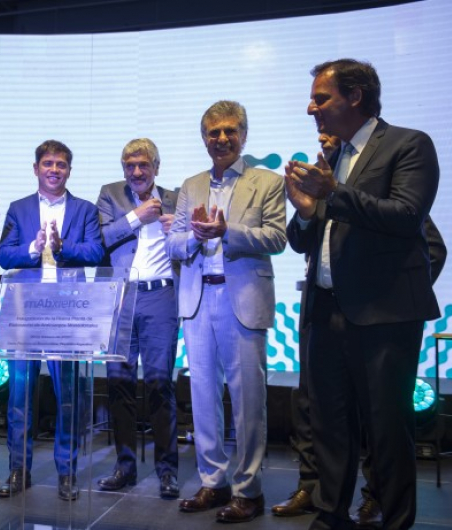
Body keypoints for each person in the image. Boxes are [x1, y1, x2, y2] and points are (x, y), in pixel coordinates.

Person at [284, 58, 440, 530]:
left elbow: (406, 214)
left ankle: (393, 521)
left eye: (321, 98)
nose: (311, 107)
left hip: (385, 315)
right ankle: (331, 516)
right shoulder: (330, 157)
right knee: (329, 425)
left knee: (387, 430)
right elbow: (301, 238)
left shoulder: (408, 144)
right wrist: (308, 211)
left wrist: (336, 191)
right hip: (326, 309)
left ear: (355, 96)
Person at [167, 100, 286, 523]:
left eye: (229, 131)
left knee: (248, 400)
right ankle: (213, 482)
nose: (221, 139)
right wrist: (197, 237)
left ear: (244, 135)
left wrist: (225, 231)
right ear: (204, 139)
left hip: (244, 299)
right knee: (202, 398)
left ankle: (248, 490)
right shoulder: (191, 184)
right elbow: (173, 245)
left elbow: (277, 237)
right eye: (213, 132)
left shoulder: (267, 182)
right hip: (198, 299)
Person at [0, 139, 104, 501]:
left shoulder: (85, 209)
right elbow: (4, 256)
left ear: (69, 170)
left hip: (68, 313)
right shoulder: (19, 209)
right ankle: (18, 469)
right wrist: (33, 247)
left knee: (68, 398)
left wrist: (61, 249)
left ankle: (67, 473)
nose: (54, 169)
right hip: (25, 312)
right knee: (20, 397)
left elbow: (95, 251)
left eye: (60, 164)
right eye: (48, 163)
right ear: (36, 168)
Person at [95, 138, 180, 500]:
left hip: (161, 296)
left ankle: (167, 471)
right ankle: (125, 467)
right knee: (119, 383)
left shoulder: (177, 199)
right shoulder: (110, 195)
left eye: (143, 165)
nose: (136, 172)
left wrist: (179, 227)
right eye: (129, 166)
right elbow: (97, 240)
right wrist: (136, 217)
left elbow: (193, 240)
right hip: (121, 297)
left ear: (156, 167)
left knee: (160, 382)